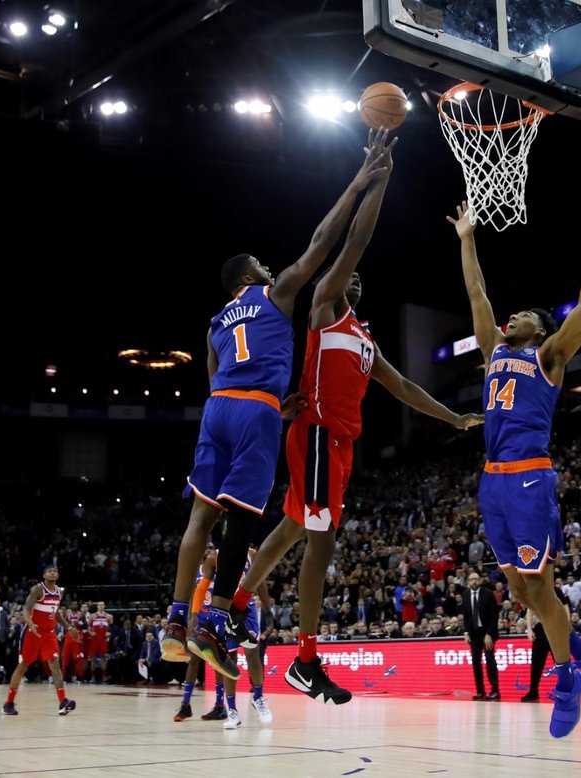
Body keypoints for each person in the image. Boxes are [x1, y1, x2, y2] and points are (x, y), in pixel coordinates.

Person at [224, 152, 482, 706]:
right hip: (315, 433)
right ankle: (306, 660)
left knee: (291, 531)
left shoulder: (364, 337)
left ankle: (233, 607)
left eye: (357, 275)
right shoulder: (323, 307)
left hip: (339, 445)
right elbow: (356, 242)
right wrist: (379, 182)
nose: (354, 274)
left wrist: (455, 417)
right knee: (322, 541)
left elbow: (406, 390)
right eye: (346, 272)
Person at [160, 129, 395, 673]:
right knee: (242, 518)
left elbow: (216, 378)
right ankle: (216, 623)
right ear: (248, 276)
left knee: (200, 518)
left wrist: (259, 397)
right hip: (255, 413)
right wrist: (360, 181)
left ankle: (175, 619)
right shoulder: (277, 292)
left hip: (218, 409)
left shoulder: (215, 322)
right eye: (261, 263)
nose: (269, 266)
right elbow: (323, 241)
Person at [445, 201, 581, 739]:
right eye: (510, 313)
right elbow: (477, 293)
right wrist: (468, 239)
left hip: (528, 476)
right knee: (519, 591)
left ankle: (567, 679)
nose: (510, 316)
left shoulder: (550, 356)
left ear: (541, 328)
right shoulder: (494, 350)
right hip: (492, 479)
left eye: (524, 314)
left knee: (541, 587)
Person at [177, 547, 274, 728]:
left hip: (247, 609)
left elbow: (260, 581)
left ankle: (259, 697)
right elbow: (200, 588)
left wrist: (268, 610)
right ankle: (232, 712)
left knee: (253, 653)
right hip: (224, 610)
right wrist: (195, 614)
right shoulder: (214, 556)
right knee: (229, 659)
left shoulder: (252, 554)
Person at [1, 565, 81, 716]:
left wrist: (68, 627)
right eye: (50, 571)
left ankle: (63, 702)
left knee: (54, 664)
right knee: (23, 666)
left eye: (55, 571)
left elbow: (55, 613)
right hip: (33, 633)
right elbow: (25, 610)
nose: (53, 573)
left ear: (57, 575)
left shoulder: (59, 592)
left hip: (49, 634)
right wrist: (30, 623)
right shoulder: (37, 589)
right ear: (44, 575)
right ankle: (8, 703)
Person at [462, 571, 501, 700]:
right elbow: (466, 616)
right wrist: (466, 632)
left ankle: (495, 690)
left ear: (480, 580)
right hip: (474, 633)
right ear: (468, 582)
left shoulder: (488, 594)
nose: (474, 581)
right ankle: (480, 691)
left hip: (487, 632)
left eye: (476, 579)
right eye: (471, 579)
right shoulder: (466, 595)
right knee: (475, 662)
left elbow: (494, 615)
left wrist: (489, 634)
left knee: (490, 660)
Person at [87, 601, 112, 683]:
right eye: (99, 605)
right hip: (95, 639)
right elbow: (88, 627)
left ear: (104, 606)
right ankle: (93, 677)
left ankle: (104, 676)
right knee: (93, 658)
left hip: (103, 639)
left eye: (102, 605)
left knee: (104, 657)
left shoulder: (109, 616)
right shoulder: (92, 616)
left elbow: (111, 628)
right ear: (97, 606)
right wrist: (91, 633)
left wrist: (109, 633)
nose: (101, 606)